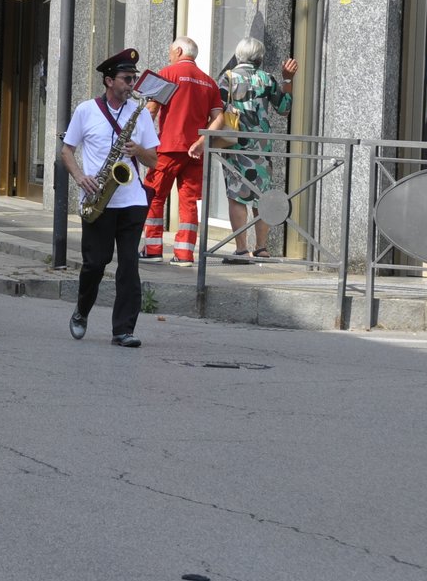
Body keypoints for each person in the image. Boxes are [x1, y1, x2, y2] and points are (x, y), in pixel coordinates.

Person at [63, 48, 160, 348]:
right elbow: (67, 150)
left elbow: (154, 160)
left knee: (129, 265)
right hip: (98, 200)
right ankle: (82, 310)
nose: (132, 83)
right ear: (108, 81)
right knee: (95, 264)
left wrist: (138, 152)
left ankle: (123, 329)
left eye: (133, 78)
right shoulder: (85, 111)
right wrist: (80, 177)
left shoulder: (140, 113)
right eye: (126, 78)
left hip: (131, 200)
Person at [206, 38, 297, 262]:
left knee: (236, 196)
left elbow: (216, 109)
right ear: (261, 57)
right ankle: (262, 248)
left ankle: (240, 249)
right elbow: (284, 108)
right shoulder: (267, 79)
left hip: (235, 144)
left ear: (238, 55)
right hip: (262, 146)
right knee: (261, 196)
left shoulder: (227, 78)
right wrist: (287, 80)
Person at [139, 36, 221, 266]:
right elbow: (219, 118)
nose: (169, 56)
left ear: (178, 50)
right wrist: (203, 140)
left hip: (168, 147)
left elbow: (151, 110)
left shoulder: (168, 73)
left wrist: (141, 142)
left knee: (153, 196)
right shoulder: (209, 82)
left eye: (170, 51)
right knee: (188, 202)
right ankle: (184, 254)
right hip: (195, 151)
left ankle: (153, 249)